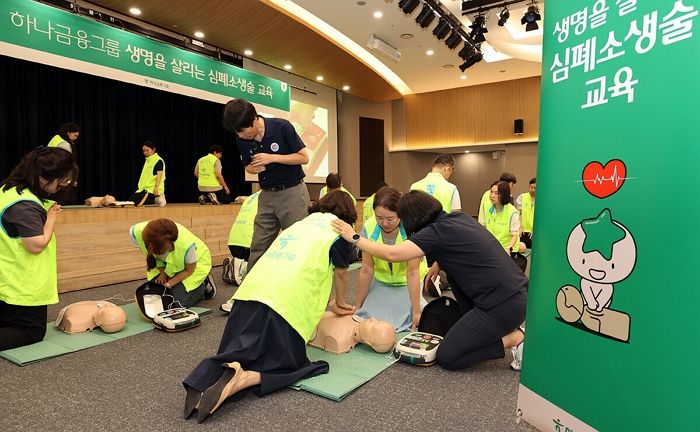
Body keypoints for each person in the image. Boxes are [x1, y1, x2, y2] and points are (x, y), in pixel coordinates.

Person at [183, 191, 357, 423]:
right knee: (298, 366)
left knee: (239, 350)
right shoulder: (338, 232)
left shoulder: (299, 225)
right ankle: (244, 379)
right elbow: (342, 273)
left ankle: (207, 375)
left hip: (248, 296)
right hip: (283, 305)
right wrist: (341, 303)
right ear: (348, 213)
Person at [332, 190, 527, 371]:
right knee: (453, 281)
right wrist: (439, 263)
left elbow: (393, 254)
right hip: (517, 294)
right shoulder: (456, 218)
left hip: (503, 305)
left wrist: (354, 237)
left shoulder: (436, 232)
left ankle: (514, 338)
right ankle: (501, 330)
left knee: (448, 356)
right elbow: (464, 248)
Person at [0, 147, 78, 350]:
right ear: (43, 178)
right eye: (61, 181)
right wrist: (51, 216)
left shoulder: (10, 189)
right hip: (21, 283)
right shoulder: (25, 205)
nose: (63, 185)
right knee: (31, 331)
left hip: (7, 278)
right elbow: (36, 244)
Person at [221, 98, 310, 271]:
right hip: (267, 196)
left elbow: (303, 157)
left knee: (298, 244)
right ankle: (249, 294)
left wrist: (272, 158)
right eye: (236, 132)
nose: (239, 135)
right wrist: (256, 168)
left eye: (241, 130)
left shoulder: (281, 127)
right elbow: (248, 168)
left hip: (292, 192)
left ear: (254, 119)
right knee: (258, 247)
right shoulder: (242, 139)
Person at [355, 186, 427, 332]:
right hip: (381, 282)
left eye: (390, 218)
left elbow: (412, 273)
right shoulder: (369, 228)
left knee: (410, 318)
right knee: (368, 317)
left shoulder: (411, 227)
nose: (384, 223)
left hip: (406, 284)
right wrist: (357, 306)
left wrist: (416, 311)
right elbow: (367, 269)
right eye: (379, 218)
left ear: (400, 214)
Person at [129, 218, 216, 308]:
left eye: (164, 250)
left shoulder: (186, 246)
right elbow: (156, 258)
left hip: (193, 266)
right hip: (170, 265)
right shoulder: (137, 233)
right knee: (152, 296)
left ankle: (203, 285)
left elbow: (188, 271)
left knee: (174, 305)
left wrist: (169, 284)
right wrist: (162, 274)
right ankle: (175, 283)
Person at [482, 182, 527, 272]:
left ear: (504, 194)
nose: (492, 195)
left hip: (507, 249)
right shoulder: (487, 206)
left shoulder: (512, 212)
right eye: (491, 192)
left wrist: (508, 248)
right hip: (492, 247)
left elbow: (514, 235)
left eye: (496, 193)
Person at [221, 191, 260, 288]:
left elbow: (241, 198)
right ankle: (242, 268)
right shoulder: (272, 197)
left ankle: (236, 264)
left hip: (233, 242)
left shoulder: (253, 196)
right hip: (248, 244)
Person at [47, 123, 80, 205]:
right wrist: (70, 181)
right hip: (61, 179)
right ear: (68, 133)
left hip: (52, 176)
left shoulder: (55, 139)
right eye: (75, 135)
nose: (75, 138)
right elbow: (67, 164)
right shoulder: (64, 144)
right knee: (67, 201)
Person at [130, 141, 166, 207]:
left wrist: (156, 188)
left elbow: (160, 175)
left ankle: (159, 197)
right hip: (144, 189)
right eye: (144, 151)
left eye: (147, 150)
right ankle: (155, 199)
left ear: (153, 149)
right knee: (131, 201)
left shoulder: (158, 160)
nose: (145, 152)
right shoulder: (147, 160)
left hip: (152, 189)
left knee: (137, 204)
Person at [515, 177, 536, 248]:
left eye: (535, 188)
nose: (533, 190)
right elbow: (519, 214)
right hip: (522, 231)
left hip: (534, 232)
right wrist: (520, 227)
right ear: (529, 186)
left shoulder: (542, 199)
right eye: (531, 187)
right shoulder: (522, 197)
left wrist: (535, 230)